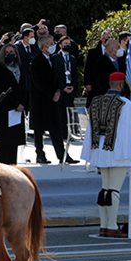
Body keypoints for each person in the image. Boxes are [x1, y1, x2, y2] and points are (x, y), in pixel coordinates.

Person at [80, 72, 131, 238]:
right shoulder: (125, 104)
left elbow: (91, 130)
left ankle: (103, 225)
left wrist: (91, 151)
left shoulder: (96, 101)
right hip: (118, 152)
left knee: (105, 189)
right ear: (121, 85)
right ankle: (112, 226)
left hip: (100, 151)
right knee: (113, 189)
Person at [31, 36, 76, 165]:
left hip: (52, 100)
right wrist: (52, 93)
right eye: (51, 43)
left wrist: (58, 91)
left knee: (55, 128)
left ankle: (62, 155)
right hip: (40, 101)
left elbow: (57, 77)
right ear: (44, 46)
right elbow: (38, 82)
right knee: (39, 130)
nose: (53, 45)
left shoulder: (52, 59)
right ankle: (40, 154)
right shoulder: (36, 61)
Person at [0, 43, 27, 164]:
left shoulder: (21, 68)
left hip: (19, 109)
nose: (10, 55)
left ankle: (14, 164)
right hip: (5, 109)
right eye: (7, 53)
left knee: (15, 141)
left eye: (12, 52)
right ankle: (5, 165)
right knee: (5, 140)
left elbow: (24, 88)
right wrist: (14, 104)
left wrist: (23, 103)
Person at [52, 35, 80, 140]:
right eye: (65, 44)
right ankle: (61, 134)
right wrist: (62, 87)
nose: (67, 45)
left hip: (70, 88)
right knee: (60, 113)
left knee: (69, 112)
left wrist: (73, 86)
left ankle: (69, 133)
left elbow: (75, 75)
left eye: (69, 44)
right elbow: (55, 75)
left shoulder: (72, 59)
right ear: (60, 45)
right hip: (60, 89)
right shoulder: (55, 58)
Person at [84, 29, 113, 106]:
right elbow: (87, 68)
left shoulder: (114, 51)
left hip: (108, 84)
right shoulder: (92, 52)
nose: (107, 41)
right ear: (102, 39)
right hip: (95, 83)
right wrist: (87, 83)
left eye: (110, 38)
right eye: (106, 38)